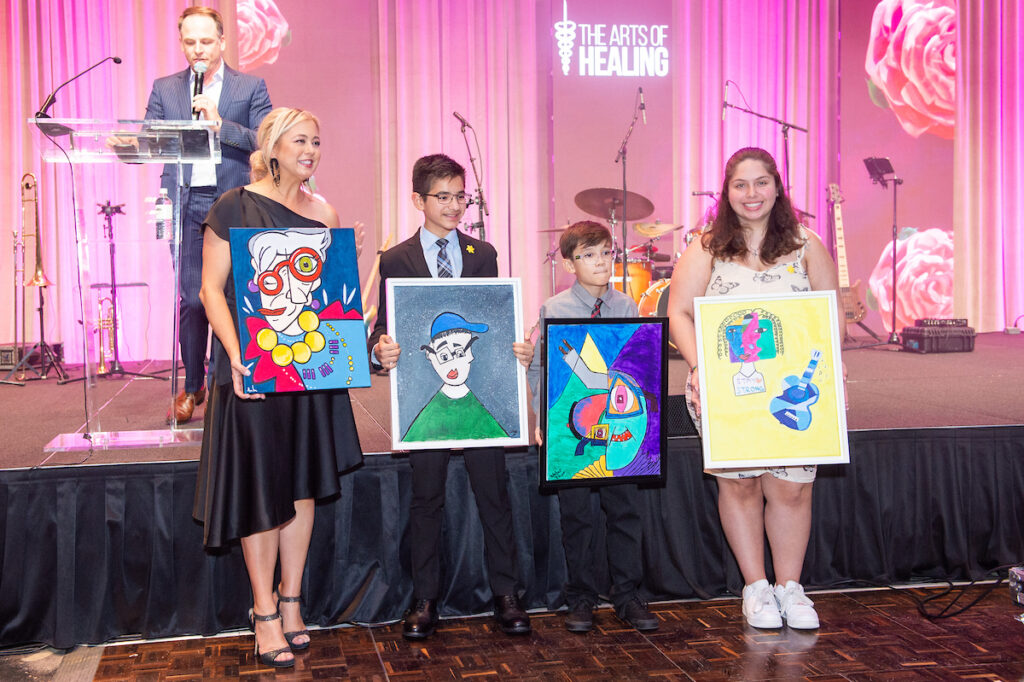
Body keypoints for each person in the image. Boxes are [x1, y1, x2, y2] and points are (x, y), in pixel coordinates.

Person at [195, 108, 363, 668]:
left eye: (317, 140)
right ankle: (262, 609)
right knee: (261, 486)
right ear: (270, 146)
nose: (311, 149)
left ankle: (292, 603)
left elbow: (332, 304)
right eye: (300, 140)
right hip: (252, 371)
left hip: (308, 370)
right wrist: (237, 356)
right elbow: (211, 292)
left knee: (302, 485)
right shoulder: (233, 205)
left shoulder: (325, 211)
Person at [666, 147, 846, 631]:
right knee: (740, 486)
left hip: (793, 395)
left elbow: (831, 316)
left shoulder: (808, 245)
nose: (752, 194)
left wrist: (827, 368)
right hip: (728, 390)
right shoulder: (706, 247)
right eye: (741, 185)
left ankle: (790, 587)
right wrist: (704, 369)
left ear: (777, 187)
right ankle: (756, 588)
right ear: (726, 192)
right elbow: (679, 311)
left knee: (791, 490)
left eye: (761, 182)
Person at [368, 153, 534, 640]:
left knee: (494, 493)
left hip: (482, 392)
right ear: (417, 200)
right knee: (426, 499)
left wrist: (516, 348)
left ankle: (506, 594)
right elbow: (384, 326)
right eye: (444, 196)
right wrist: (383, 349)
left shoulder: (485, 254)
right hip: (424, 396)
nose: (455, 205)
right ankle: (425, 598)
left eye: (461, 196)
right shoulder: (395, 258)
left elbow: (497, 315)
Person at [526, 220, 659, 633]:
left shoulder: (628, 307)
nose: (600, 262)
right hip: (573, 430)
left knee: (624, 512)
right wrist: (541, 418)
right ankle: (580, 597)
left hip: (620, 428)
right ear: (569, 263)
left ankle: (627, 594)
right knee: (578, 516)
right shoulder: (554, 309)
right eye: (588, 255)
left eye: (605, 252)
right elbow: (538, 369)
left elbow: (639, 370)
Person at [145, 6, 272, 424]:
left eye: (205, 41)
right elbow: (150, 139)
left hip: (233, 204)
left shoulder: (250, 86)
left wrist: (222, 127)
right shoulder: (165, 89)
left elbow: (266, 141)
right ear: (181, 43)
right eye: (189, 42)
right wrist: (134, 140)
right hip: (185, 201)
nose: (197, 49)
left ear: (222, 41)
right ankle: (192, 385)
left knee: (235, 297)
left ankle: (229, 381)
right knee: (192, 300)